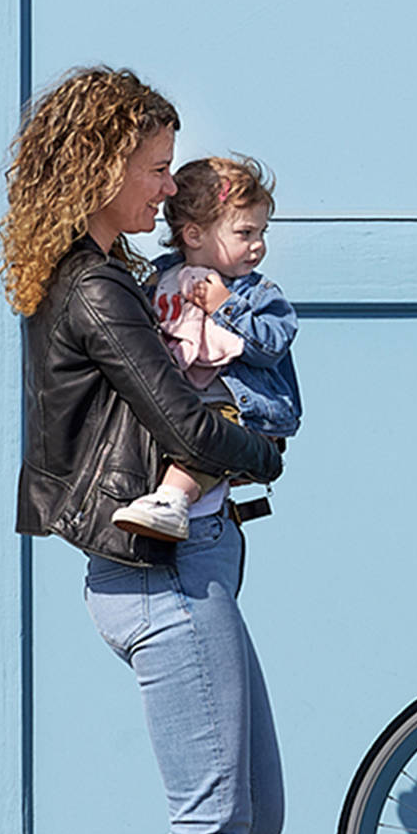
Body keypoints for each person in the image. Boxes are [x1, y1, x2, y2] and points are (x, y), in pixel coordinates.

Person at [0, 66, 314, 834]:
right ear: (100, 168)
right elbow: (187, 425)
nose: (166, 188)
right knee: (213, 820)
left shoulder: (118, 274)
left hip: (194, 564)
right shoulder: (96, 290)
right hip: (159, 574)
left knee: (249, 813)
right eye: (154, 168)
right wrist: (269, 442)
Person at [113, 154, 301, 543]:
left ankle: (172, 500)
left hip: (233, 408)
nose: (258, 246)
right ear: (195, 235)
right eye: (245, 233)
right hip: (176, 403)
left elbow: (271, 345)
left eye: (262, 233)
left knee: (210, 432)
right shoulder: (161, 280)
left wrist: (223, 307)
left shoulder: (257, 293)